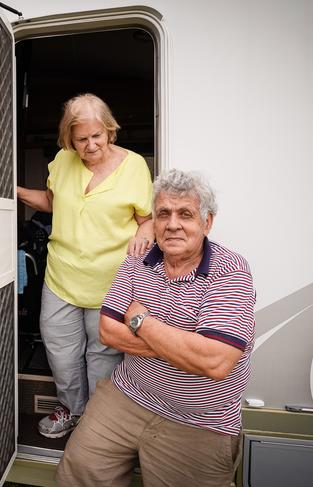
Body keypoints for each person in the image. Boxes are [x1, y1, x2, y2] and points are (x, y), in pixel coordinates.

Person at [56, 169, 255, 486]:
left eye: (185, 214)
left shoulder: (230, 270)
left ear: (207, 222)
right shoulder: (138, 258)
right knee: (78, 470)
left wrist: (140, 321)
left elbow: (215, 362)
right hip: (126, 396)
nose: (172, 224)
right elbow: (107, 330)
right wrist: (185, 347)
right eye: (163, 213)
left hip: (200, 420)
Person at [17, 94, 154, 438]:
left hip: (111, 281)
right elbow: (51, 201)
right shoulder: (62, 162)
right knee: (61, 351)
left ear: (109, 130)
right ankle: (70, 408)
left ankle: (97, 420)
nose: (91, 145)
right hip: (61, 276)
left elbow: (147, 218)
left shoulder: (133, 165)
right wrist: (14, 191)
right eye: (82, 139)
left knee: (103, 355)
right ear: (69, 139)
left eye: (98, 136)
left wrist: (143, 234)